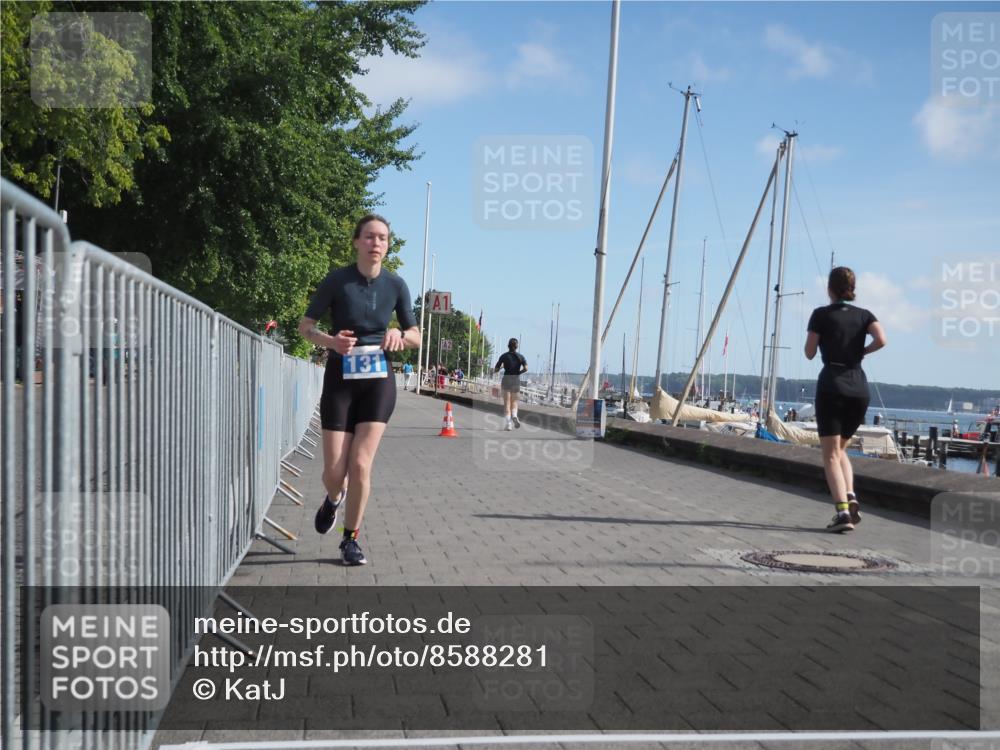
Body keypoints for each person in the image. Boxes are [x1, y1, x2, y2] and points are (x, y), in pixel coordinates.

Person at [297, 214, 419, 565]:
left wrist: (398, 334)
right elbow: (305, 327)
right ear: (356, 242)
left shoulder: (396, 285)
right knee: (335, 473)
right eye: (369, 236)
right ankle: (333, 498)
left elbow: (416, 336)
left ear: (387, 245)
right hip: (340, 380)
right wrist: (331, 341)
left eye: (382, 238)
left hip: (378, 381)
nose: (375, 243)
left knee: (361, 463)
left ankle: (350, 539)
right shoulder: (337, 281)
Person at [805, 266, 887, 533]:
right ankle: (850, 495)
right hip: (859, 389)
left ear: (830, 288)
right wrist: (861, 351)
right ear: (852, 288)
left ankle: (842, 513)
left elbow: (809, 352)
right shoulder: (865, 315)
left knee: (829, 454)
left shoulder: (820, 315)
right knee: (840, 450)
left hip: (832, 385)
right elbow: (882, 339)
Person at [493, 338, 527, 430]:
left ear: (508, 346)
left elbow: (496, 370)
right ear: (516, 346)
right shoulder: (521, 357)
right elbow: (526, 368)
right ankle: (514, 415)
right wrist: (519, 372)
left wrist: (502, 367)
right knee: (514, 402)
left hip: (506, 379)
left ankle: (508, 424)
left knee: (507, 403)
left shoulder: (503, 356)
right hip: (515, 380)